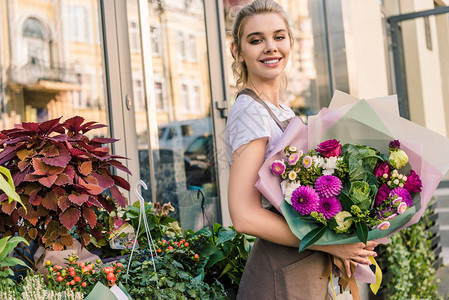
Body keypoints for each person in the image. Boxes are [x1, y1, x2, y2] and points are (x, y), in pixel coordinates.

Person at [225, 1, 379, 299]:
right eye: (256, 40)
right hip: (281, 275)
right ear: (237, 51)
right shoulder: (250, 113)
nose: (270, 47)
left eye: (279, 37)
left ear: (290, 42)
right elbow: (244, 216)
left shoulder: (279, 109)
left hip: (303, 268)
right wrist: (331, 243)